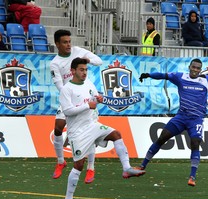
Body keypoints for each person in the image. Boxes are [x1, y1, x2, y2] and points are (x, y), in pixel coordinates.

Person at [137, 58, 208, 187]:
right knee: (162, 137)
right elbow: (163, 76)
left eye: (198, 68)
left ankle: (192, 177)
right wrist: (148, 75)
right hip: (181, 117)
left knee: (195, 143)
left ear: (200, 69)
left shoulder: (206, 80)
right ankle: (142, 165)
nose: (195, 70)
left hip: (196, 119)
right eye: (194, 67)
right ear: (189, 67)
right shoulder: (180, 77)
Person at [50, 29, 144, 183]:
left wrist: (86, 60)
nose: (68, 45)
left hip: (85, 94)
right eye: (65, 42)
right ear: (57, 44)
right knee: (58, 128)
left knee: (90, 128)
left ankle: (91, 168)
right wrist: (71, 96)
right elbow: (60, 85)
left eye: (69, 41)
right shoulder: (55, 63)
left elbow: (98, 61)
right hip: (70, 98)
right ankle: (61, 161)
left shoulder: (78, 51)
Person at [60, 58, 145, 199]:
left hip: (92, 125)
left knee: (116, 134)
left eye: (85, 69)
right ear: (72, 71)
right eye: (81, 69)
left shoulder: (89, 83)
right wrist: (88, 105)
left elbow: (94, 97)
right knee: (78, 166)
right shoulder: (67, 89)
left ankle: (126, 168)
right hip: (77, 133)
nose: (84, 72)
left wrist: (99, 98)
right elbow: (67, 111)